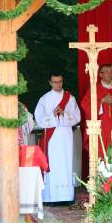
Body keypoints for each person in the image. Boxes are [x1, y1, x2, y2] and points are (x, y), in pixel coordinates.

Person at [34, 72, 81, 203]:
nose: (58, 84)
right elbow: (39, 118)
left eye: (60, 81)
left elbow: (77, 117)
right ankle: (51, 197)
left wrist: (64, 114)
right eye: (55, 82)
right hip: (52, 137)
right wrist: (53, 115)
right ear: (50, 82)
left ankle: (66, 196)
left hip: (66, 134)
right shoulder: (44, 99)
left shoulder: (70, 98)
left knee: (66, 162)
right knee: (53, 163)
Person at [81, 64, 112, 157]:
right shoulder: (94, 89)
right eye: (106, 71)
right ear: (100, 75)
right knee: (101, 154)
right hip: (100, 129)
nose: (109, 73)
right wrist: (101, 101)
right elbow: (85, 105)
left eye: (111, 71)